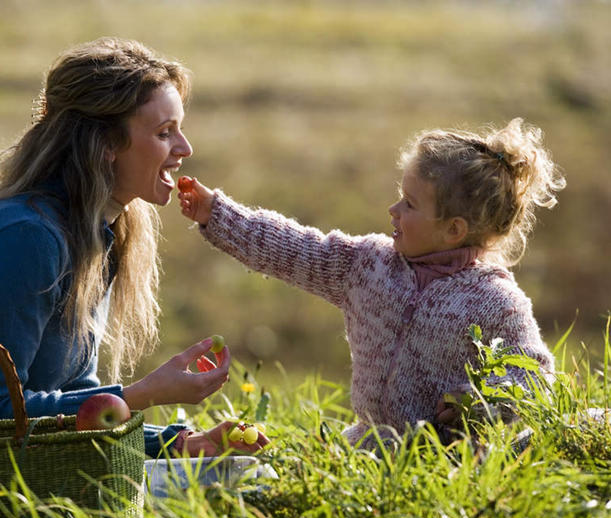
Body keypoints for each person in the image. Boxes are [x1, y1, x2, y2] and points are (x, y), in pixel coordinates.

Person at [0, 37, 268, 458]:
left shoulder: (98, 233)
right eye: (165, 133)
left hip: (19, 469)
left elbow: (70, 403)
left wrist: (179, 444)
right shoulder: (27, 240)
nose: (185, 149)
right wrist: (142, 394)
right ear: (106, 145)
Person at [178, 118, 565, 447]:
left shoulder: (496, 301)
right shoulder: (369, 264)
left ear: (453, 229)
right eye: (400, 197)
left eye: (410, 205)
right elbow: (295, 250)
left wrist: (478, 402)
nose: (393, 210)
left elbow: (533, 376)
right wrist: (217, 214)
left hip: (448, 458)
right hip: (368, 443)